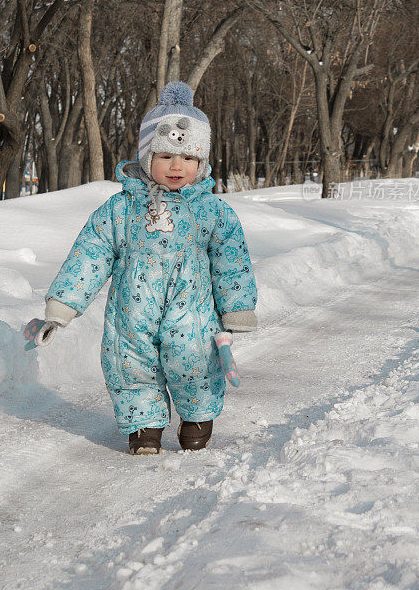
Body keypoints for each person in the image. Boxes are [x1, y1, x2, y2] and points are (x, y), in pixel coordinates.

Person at [33, 82, 257, 455]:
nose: (176, 166)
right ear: (146, 156)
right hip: (131, 311)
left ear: (201, 164)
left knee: (194, 361)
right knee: (131, 364)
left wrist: (237, 307)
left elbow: (231, 260)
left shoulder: (213, 211)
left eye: (188, 158)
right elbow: (91, 253)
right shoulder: (121, 209)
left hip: (193, 310)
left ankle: (197, 416)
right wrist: (63, 306)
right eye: (165, 155)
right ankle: (144, 427)